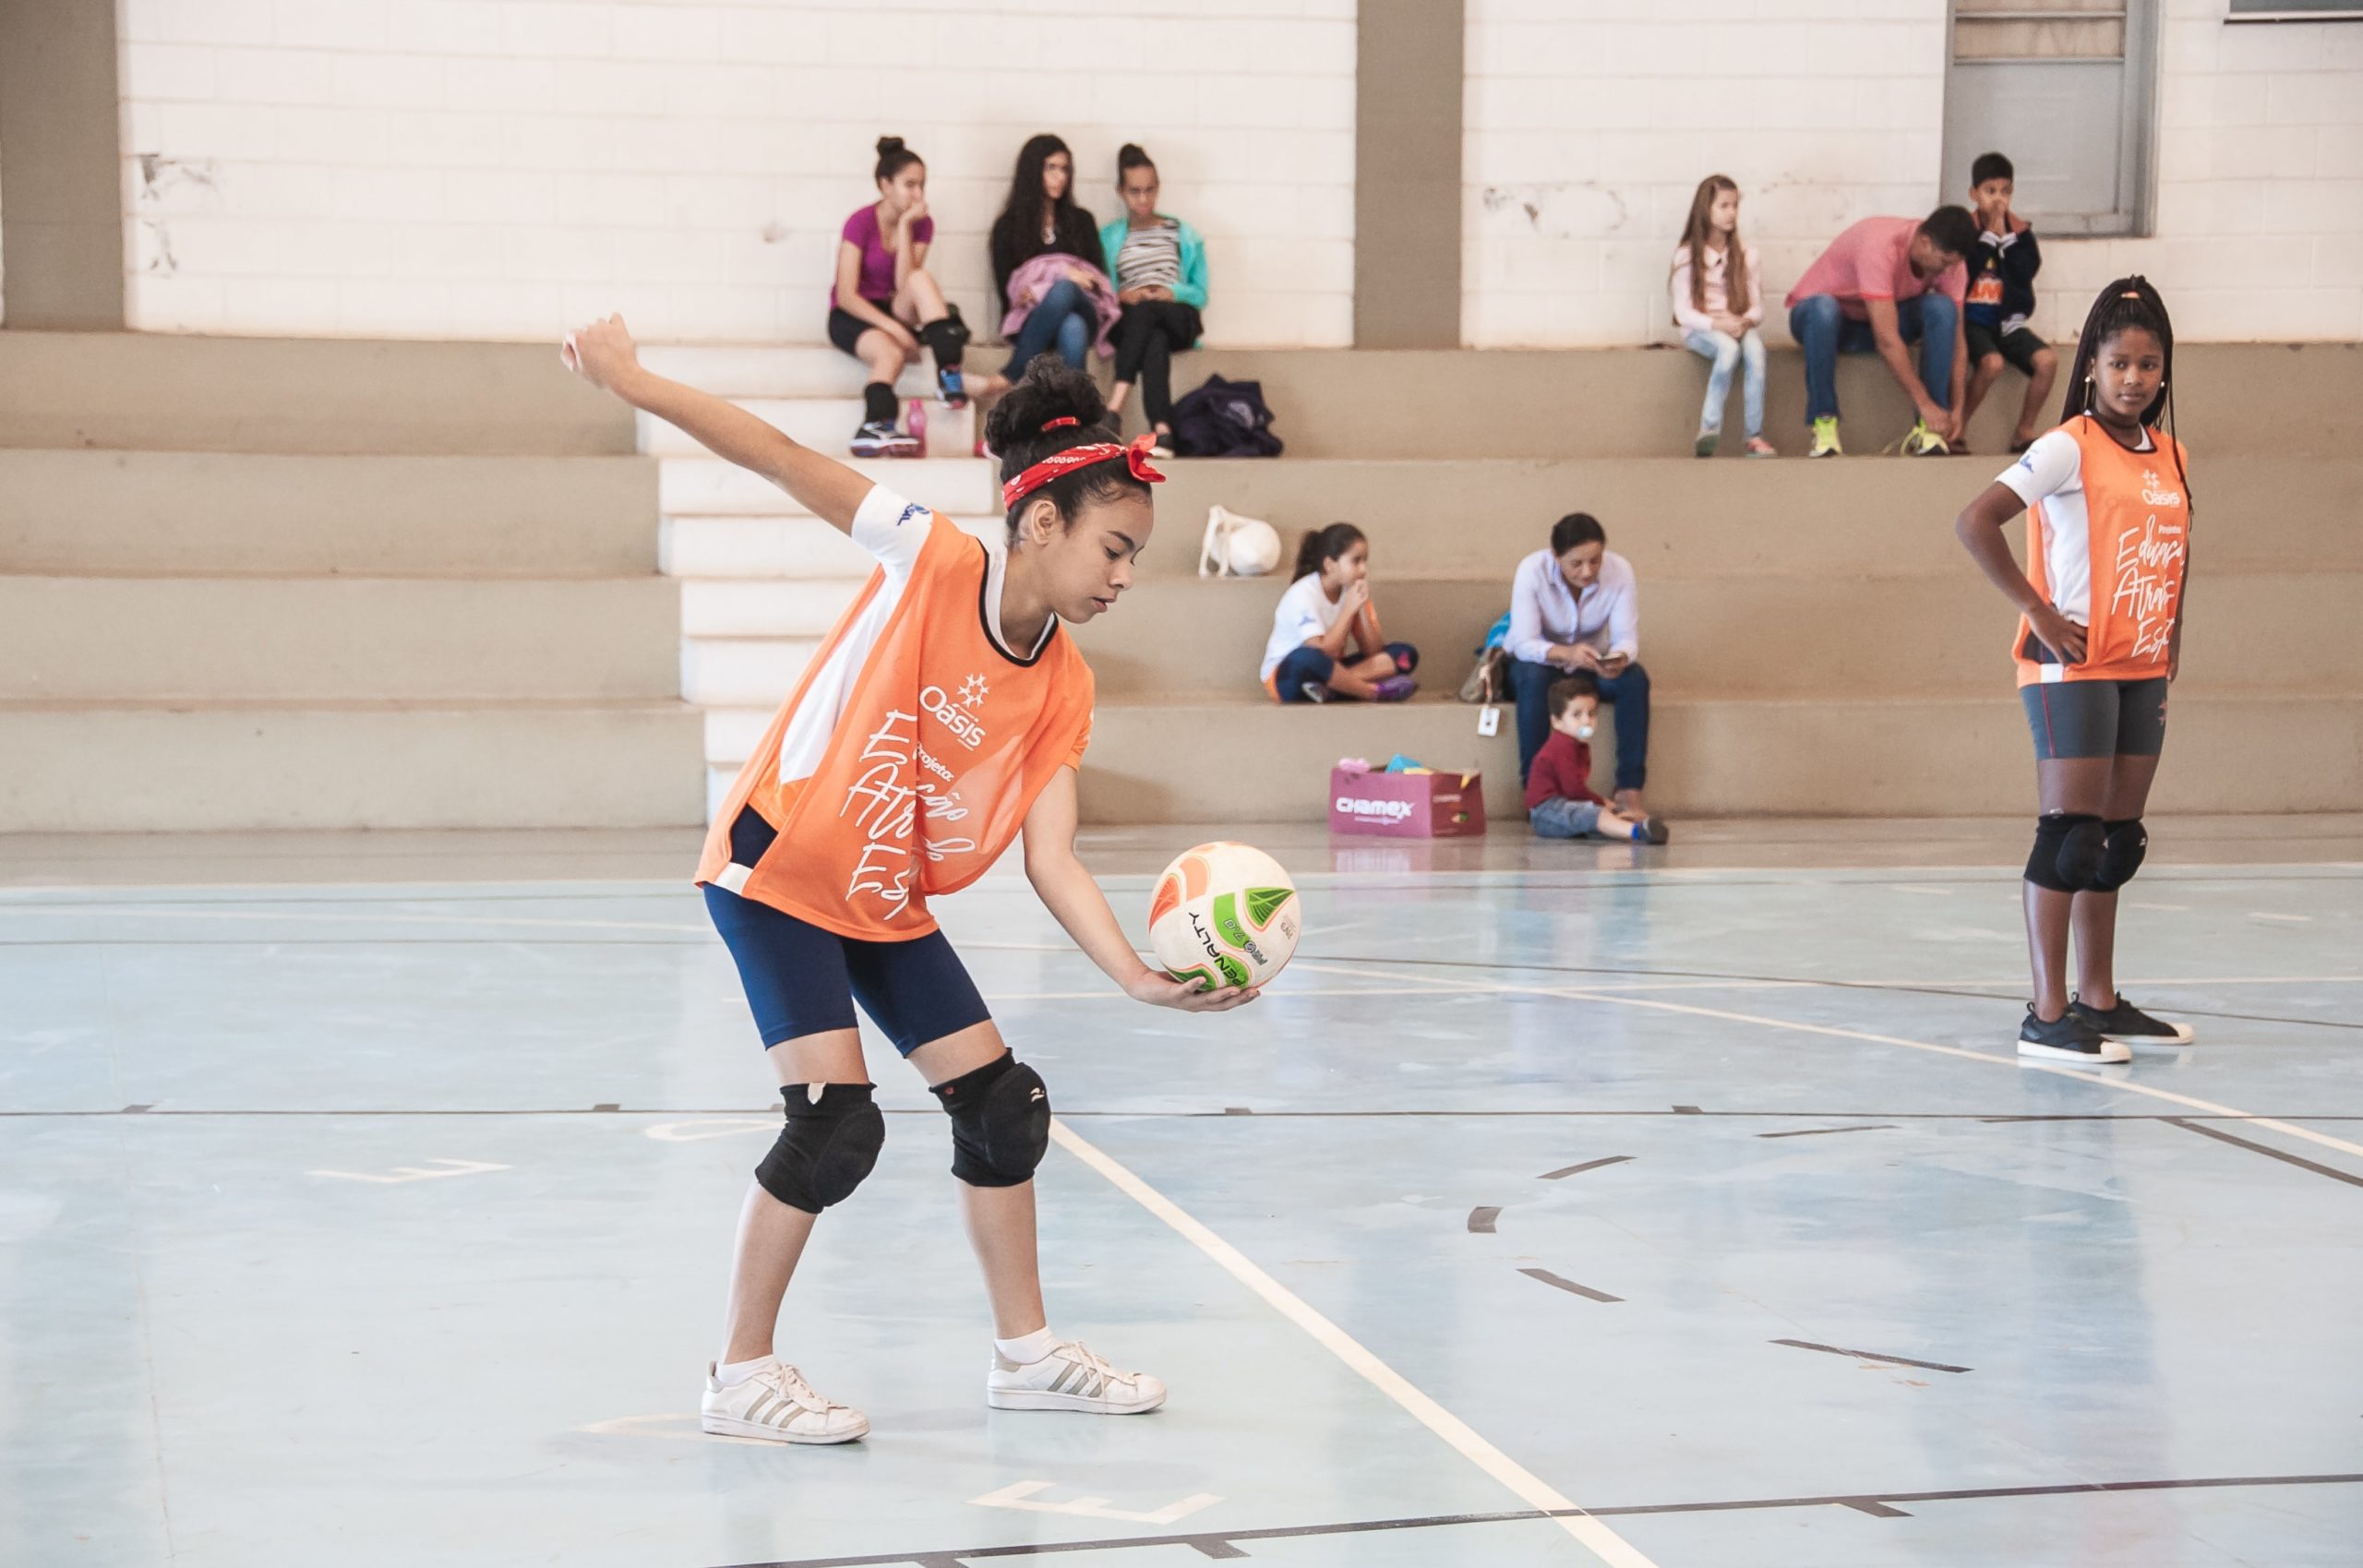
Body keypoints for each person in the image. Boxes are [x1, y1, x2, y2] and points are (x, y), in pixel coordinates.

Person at [558, 316, 1256, 1444]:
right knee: (834, 1126)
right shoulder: (930, 557)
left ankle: (1025, 1357)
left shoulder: (1065, 686)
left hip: (881, 898)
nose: (1127, 573)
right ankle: (739, 1374)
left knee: (1003, 1107)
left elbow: (1051, 853)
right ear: (1040, 520)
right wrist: (634, 379)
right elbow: (773, 455)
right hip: (778, 868)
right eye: (1116, 546)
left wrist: (1137, 976)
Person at [1951, 277, 2194, 1064]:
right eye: (2119, 361)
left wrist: (2173, 637)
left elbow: (2176, 554)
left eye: (2149, 364)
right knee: (2070, 838)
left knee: (2116, 842)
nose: (2134, 378)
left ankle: (2099, 998)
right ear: (2091, 364)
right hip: (2073, 666)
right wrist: (2038, 612)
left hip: (2141, 664)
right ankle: (2048, 1013)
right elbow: (1975, 520)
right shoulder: (2067, 445)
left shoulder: (2172, 454)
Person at [1784, 206, 1978, 458]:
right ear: (1925, 242)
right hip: (1822, 325)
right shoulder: (1880, 246)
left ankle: (1929, 431)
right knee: (1824, 308)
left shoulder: (1952, 264)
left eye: (1953, 265)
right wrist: (1923, 403)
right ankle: (1825, 425)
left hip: (1875, 324)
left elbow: (1958, 342)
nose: (1947, 271)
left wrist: (1957, 409)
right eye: (1943, 262)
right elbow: (1886, 340)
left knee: (1942, 309)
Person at [829, 137, 978, 459]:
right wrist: (895, 330)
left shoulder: (922, 224)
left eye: (922, 185)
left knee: (921, 278)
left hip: (895, 305)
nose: (918, 195)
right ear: (885, 185)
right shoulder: (860, 222)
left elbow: (904, 281)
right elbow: (846, 295)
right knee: (890, 353)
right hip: (853, 313)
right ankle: (874, 426)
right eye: (909, 185)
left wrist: (906, 227)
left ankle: (948, 373)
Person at [1505, 513, 1650, 819]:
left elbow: (1626, 638)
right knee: (1533, 679)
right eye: (1576, 564)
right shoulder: (1533, 570)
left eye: (1595, 561)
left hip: (1589, 665)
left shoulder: (1620, 571)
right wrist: (1565, 653)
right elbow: (1523, 643)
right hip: (1539, 661)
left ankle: (1629, 788)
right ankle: (1534, 789)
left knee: (1634, 680)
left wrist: (1618, 658)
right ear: (1556, 556)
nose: (1587, 571)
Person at [1099, 144, 1209, 460]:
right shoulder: (1108, 237)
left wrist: (1172, 292)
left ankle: (1113, 409)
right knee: (1153, 337)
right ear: (1121, 191)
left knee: (1151, 315)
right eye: (1135, 191)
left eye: (1150, 190)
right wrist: (1121, 296)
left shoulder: (1183, 233)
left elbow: (1200, 292)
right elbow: (1102, 291)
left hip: (1178, 314)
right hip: (1132, 318)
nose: (1144, 199)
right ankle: (1163, 431)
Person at [990, 135, 1112, 382]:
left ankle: (1012, 373)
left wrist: (1057, 281)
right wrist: (1062, 274)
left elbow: (1096, 282)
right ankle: (1074, 416)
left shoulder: (1082, 221)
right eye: (1051, 168)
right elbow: (1010, 294)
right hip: (1032, 321)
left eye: (1065, 169)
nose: (1060, 177)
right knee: (1072, 326)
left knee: (1067, 291)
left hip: (1085, 308)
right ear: (1032, 171)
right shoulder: (1008, 227)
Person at [1959, 151, 2057, 454]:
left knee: (2047, 361)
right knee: (1992, 364)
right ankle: (1957, 427)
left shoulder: (2022, 234)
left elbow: (2025, 271)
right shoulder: (1966, 231)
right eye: (1990, 192)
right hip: (1974, 321)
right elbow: (1966, 269)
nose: (1998, 200)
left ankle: (2023, 430)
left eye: (2005, 191)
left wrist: (2007, 239)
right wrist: (1988, 236)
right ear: (1974, 194)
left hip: (2009, 323)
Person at [1670, 174, 1772, 458]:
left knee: (1756, 352)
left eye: (1735, 205)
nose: (1732, 213)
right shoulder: (1686, 256)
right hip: (1703, 329)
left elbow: (1757, 308)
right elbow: (1683, 313)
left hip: (1737, 324)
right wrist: (1717, 324)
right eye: (1724, 205)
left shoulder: (1747, 255)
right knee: (1727, 350)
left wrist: (1744, 321)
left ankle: (1754, 437)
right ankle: (1709, 428)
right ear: (1706, 209)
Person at [1259, 522, 1418, 703]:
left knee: (1405, 654)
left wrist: (1363, 609)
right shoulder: (1302, 594)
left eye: (1365, 561)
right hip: (1290, 677)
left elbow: (1373, 651)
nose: (1363, 569)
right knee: (1305, 657)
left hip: (1330, 672)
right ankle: (1370, 692)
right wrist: (1348, 610)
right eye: (1356, 561)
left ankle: (1333, 688)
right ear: (1330, 565)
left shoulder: (1351, 593)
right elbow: (1325, 651)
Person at [1527, 673, 1668, 844]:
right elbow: (1573, 789)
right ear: (1557, 721)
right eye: (1577, 714)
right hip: (1547, 812)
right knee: (1594, 813)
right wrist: (1604, 803)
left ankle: (1631, 826)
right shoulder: (1561, 746)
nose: (1587, 721)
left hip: (1563, 807)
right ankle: (1637, 831)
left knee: (1595, 815)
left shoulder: (1577, 745)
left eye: (1592, 713)